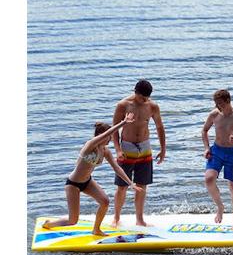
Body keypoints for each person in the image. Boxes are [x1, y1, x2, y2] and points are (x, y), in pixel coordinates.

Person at [42, 114, 142, 236]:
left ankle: (96, 229)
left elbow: (116, 168)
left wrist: (131, 183)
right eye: (109, 136)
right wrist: (123, 123)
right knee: (73, 221)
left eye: (110, 136)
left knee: (105, 201)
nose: (110, 138)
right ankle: (49, 224)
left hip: (87, 182)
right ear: (100, 136)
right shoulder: (90, 145)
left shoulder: (105, 151)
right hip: (73, 184)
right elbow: (105, 134)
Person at [111, 79, 166, 227]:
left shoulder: (152, 106)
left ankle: (140, 219)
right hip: (126, 148)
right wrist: (117, 149)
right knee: (122, 186)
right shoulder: (123, 105)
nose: (145, 100)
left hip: (145, 148)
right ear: (135, 93)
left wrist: (163, 149)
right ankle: (116, 218)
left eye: (147, 98)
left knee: (142, 185)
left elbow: (160, 127)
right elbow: (114, 129)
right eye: (142, 97)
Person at [202, 89, 233, 232]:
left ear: (228, 101)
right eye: (216, 104)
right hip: (216, 151)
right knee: (209, 178)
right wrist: (206, 148)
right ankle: (220, 207)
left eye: (221, 104)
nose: (219, 107)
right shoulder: (214, 114)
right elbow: (204, 130)